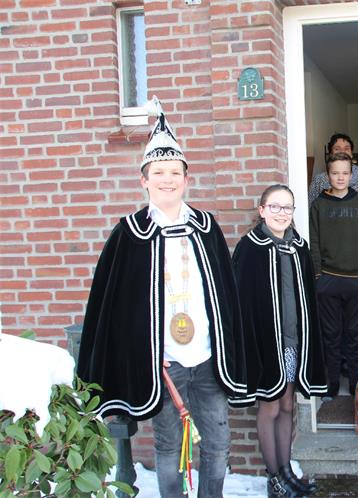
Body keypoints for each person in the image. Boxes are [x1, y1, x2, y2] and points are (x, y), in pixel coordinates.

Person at [76, 98, 257, 498]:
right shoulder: (129, 233)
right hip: (164, 363)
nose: (167, 179)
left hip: (207, 358)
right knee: (169, 446)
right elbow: (113, 306)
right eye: (158, 172)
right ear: (144, 180)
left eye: (175, 172)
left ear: (187, 179)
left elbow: (225, 295)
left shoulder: (206, 226)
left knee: (218, 444)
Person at [233, 184, 327, 498]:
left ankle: (287, 472)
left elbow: (307, 297)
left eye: (287, 207)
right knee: (270, 405)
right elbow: (241, 302)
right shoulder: (250, 248)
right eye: (274, 206)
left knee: (288, 405)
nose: (281, 213)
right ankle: (273, 478)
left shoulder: (299, 246)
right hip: (265, 342)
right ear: (262, 210)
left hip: (293, 340)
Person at [310, 152, 358, 398]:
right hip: (328, 279)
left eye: (345, 173)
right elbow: (314, 242)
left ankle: (356, 384)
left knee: (354, 335)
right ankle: (334, 384)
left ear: (351, 175)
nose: (340, 177)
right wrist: (318, 276)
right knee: (331, 335)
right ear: (327, 175)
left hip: (357, 280)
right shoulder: (319, 205)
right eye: (335, 173)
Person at [308, 132, 358, 240]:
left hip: (356, 239)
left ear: (352, 153)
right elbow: (310, 211)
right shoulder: (319, 180)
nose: (342, 151)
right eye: (337, 148)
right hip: (327, 239)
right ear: (330, 153)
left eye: (347, 148)